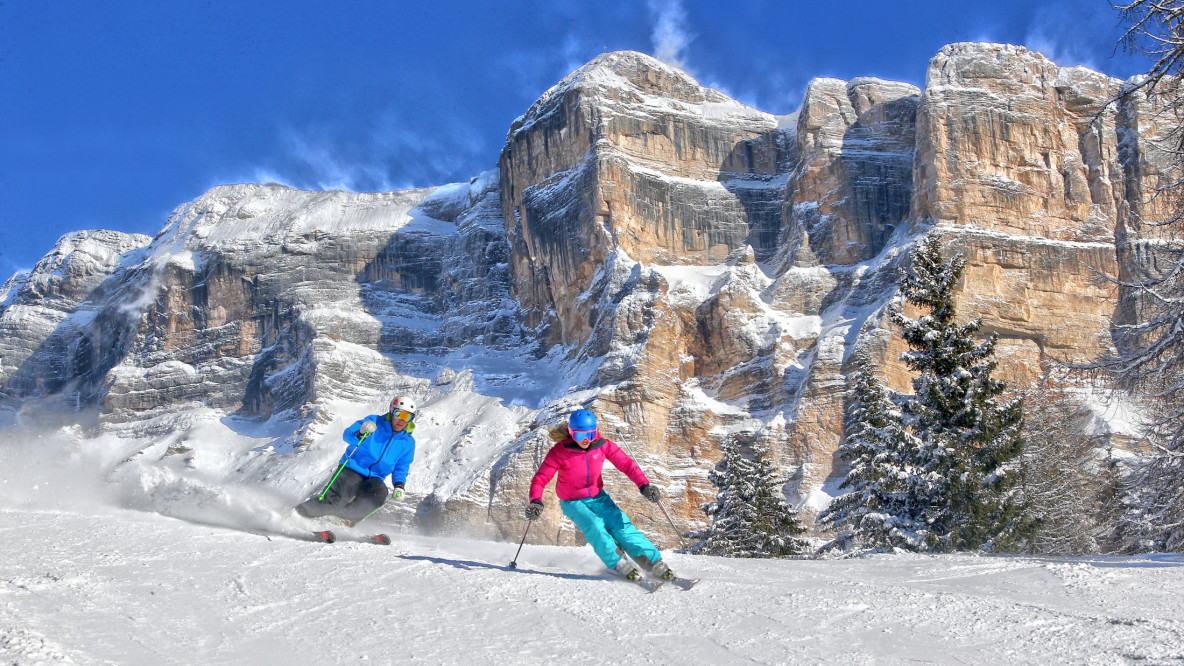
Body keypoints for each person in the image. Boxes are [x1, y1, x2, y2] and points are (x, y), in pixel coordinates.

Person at [526, 408, 676, 582]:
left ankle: (653, 563)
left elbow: (627, 465)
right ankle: (617, 564)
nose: (585, 440)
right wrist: (535, 501)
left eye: (590, 435)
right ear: (571, 432)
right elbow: (541, 477)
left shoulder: (602, 446)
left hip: (598, 496)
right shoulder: (560, 452)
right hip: (572, 501)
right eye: (580, 435)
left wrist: (644, 485)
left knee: (621, 526)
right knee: (595, 526)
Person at [297, 396, 417, 525]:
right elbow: (347, 435)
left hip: (375, 477)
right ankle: (299, 513)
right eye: (399, 414)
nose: (401, 420)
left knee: (379, 493)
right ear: (391, 411)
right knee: (337, 499)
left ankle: (343, 520)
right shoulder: (374, 422)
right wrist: (361, 432)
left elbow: (402, 466)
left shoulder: (408, 442)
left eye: (407, 417)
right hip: (353, 468)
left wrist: (399, 485)